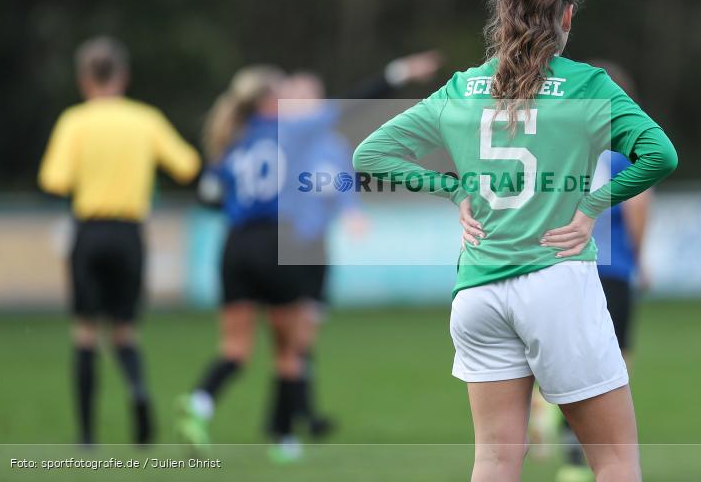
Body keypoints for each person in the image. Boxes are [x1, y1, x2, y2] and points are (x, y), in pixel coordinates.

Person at [352, 0, 677, 481]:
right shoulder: (588, 87)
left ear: (502, 16)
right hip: (556, 283)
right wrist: (593, 205)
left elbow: (368, 155)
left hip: (477, 292)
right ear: (567, 18)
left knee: (497, 459)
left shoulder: (460, 89)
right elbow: (661, 155)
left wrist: (450, 189)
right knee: (615, 459)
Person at [176, 52, 440, 463]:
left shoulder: (234, 137)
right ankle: (284, 439)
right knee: (290, 350)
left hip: (234, 247)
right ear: (268, 99)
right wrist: (398, 73)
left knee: (234, 349)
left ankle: (201, 400)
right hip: (277, 244)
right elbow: (353, 104)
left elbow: (210, 195)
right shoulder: (293, 131)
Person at [38, 36, 201, 446]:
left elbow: (54, 182)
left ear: (84, 79)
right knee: (125, 331)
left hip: (90, 231)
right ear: (123, 76)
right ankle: (137, 390)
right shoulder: (145, 119)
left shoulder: (74, 121)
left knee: (86, 332)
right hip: (130, 233)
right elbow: (187, 166)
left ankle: (87, 434)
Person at [554, 62, 655, 482]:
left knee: (573, 353)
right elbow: (637, 207)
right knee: (616, 360)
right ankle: (594, 449)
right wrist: (641, 257)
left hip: (568, 265)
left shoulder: (565, 141)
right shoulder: (624, 146)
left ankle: (562, 428)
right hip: (612, 267)